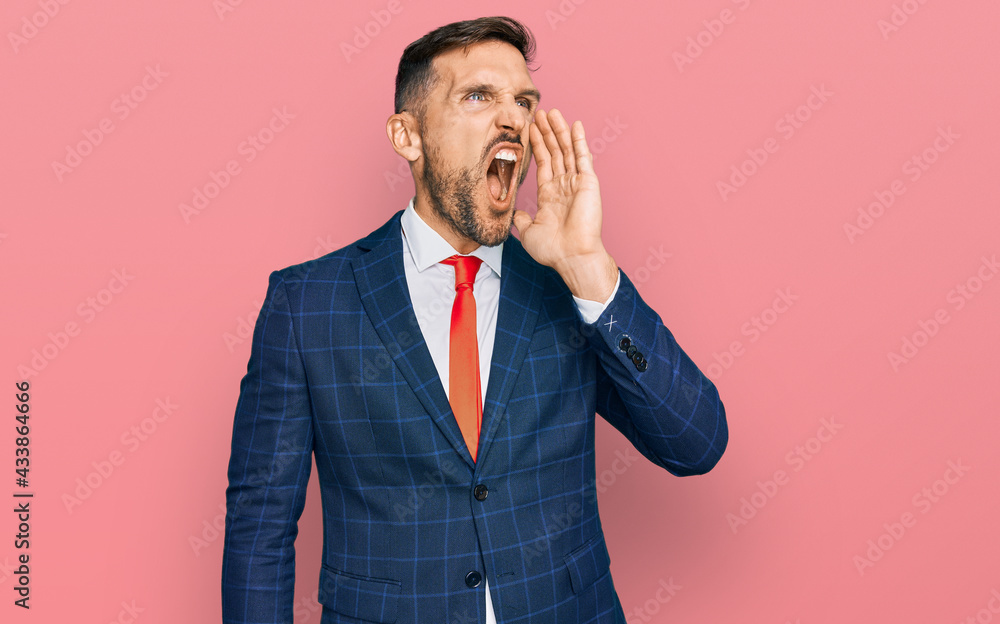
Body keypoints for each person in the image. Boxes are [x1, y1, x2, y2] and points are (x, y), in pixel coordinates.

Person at [222, 16, 727, 624]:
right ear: (407, 135)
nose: (512, 116)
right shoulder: (307, 304)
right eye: (478, 96)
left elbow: (695, 443)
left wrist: (590, 269)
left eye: (523, 100)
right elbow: (260, 525)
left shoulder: (567, 287)